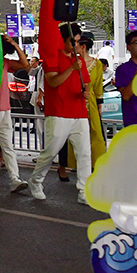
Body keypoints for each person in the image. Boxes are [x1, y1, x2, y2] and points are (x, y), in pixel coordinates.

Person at [27, 23, 92, 205]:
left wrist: (85, 91)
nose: (76, 46)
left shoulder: (78, 59)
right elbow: (53, 82)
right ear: (62, 40)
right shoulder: (52, 58)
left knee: (85, 153)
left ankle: (84, 191)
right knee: (50, 151)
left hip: (79, 112)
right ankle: (36, 180)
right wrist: (72, 69)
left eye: (78, 42)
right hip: (58, 112)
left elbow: (85, 82)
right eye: (74, 42)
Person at [0, 35, 30, 193]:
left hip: (3, 110)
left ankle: (15, 178)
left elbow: (25, 64)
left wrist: (14, 43)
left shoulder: (4, 62)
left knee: (8, 146)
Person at [75, 32, 106, 167]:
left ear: (83, 46)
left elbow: (98, 85)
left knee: (95, 132)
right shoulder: (73, 63)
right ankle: (76, 163)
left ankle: (96, 163)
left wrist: (100, 106)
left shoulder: (97, 64)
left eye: (76, 44)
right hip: (75, 102)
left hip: (91, 102)